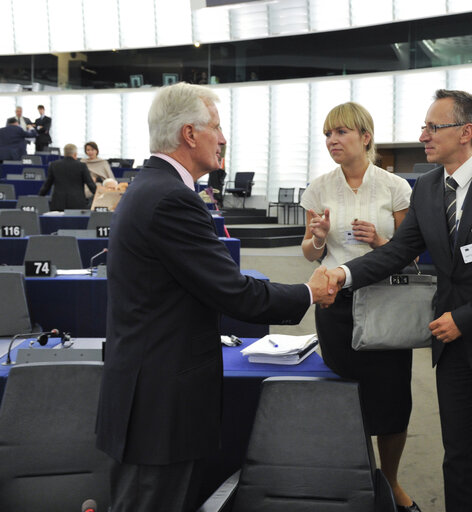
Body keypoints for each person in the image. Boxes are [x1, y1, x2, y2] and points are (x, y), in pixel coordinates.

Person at [95, 82, 336, 512]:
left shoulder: (151, 187)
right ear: (190, 134)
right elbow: (235, 293)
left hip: (148, 399)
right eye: (217, 127)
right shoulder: (171, 198)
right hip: (159, 408)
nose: (223, 138)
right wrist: (308, 291)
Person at [326, 89, 472, 512]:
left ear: (466, 132)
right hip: (451, 349)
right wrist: (344, 274)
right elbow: (396, 252)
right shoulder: (425, 188)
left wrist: (465, 319)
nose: (423, 135)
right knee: (458, 456)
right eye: (424, 126)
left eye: (432, 127)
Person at [299, 102, 419, 512]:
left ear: (365, 137)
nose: (332, 141)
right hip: (336, 305)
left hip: (386, 304)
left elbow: (411, 254)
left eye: (341, 132)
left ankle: (390, 481)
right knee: (344, 396)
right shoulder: (319, 188)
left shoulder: (395, 187)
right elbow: (309, 252)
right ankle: (353, 478)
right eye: (328, 134)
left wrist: (380, 242)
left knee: (392, 400)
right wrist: (318, 236)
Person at [38, 143, 96, 210]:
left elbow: (47, 185)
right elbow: (90, 184)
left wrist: (40, 196)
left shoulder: (54, 165)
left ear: (64, 154)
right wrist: (98, 195)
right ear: (75, 154)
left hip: (58, 203)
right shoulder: (82, 166)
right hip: (77, 203)